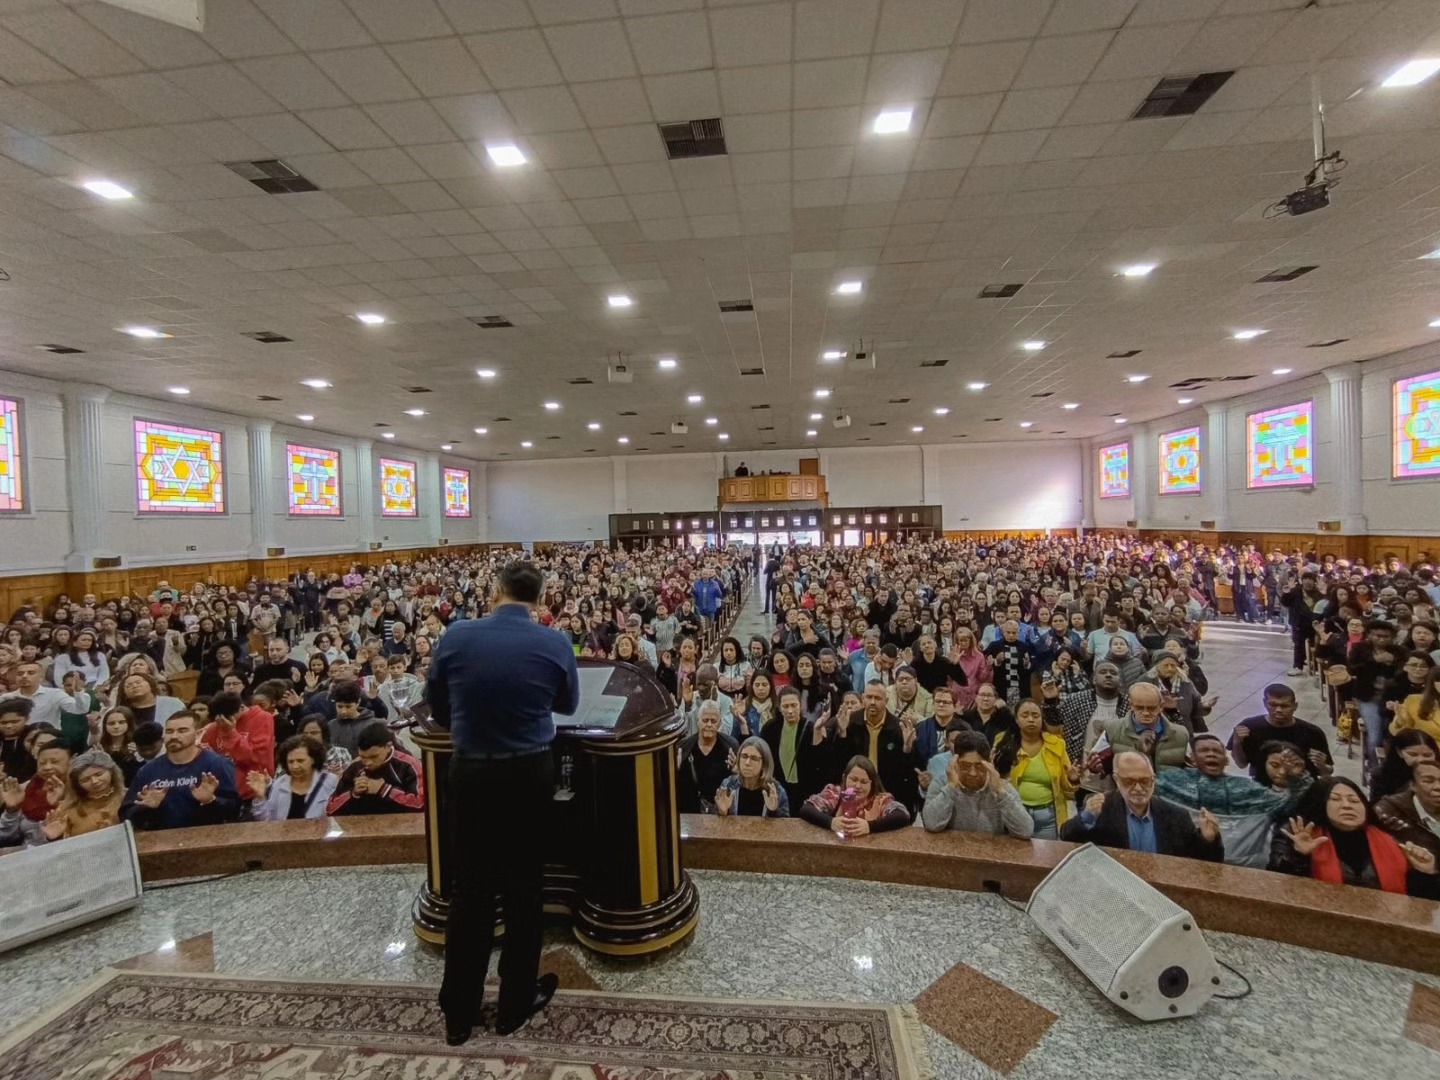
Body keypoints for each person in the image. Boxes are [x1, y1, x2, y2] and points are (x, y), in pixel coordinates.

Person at [427, 561, 578, 1045]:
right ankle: (514, 1004)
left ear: (496, 591)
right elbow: (569, 705)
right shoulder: (554, 641)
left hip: (471, 771)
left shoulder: (456, 635)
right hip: (527, 772)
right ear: (541, 596)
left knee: (469, 890)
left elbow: (439, 705)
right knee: (522, 887)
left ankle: (458, 1012)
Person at [1271, 776, 1439, 898]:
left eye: (1354, 800)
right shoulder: (1297, 835)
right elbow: (1281, 891)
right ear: (1320, 803)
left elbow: (1421, 905)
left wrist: (1425, 873)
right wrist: (1300, 856)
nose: (1347, 805)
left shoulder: (1390, 838)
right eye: (1335, 799)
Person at [1155, 732, 1305, 868]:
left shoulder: (1250, 788)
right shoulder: (1171, 780)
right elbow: (1142, 786)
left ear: (1226, 760)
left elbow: (1290, 805)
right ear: (1192, 758)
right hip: (1184, 861)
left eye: (1217, 751)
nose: (1211, 754)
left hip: (1241, 867)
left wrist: (1299, 777)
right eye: (1204, 750)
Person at [1061, 751, 1224, 862]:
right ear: (1117, 780)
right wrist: (1086, 817)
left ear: (1153, 779)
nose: (1138, 788)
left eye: (1145, 781)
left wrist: (1208, 839)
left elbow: (1202, 862)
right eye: (1129, 782)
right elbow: (1066, 837)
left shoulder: (1175, 815)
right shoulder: (1100, 808)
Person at [121, 711, 240, 830]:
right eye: (169, 731)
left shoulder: (217, 764)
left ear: (198, 734)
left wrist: (211, 800)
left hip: (207, 839)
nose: (174, 736)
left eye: (182, 731)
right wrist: (145, 808)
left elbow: (236, 809)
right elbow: (125, 814)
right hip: (161, 841)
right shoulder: (148, 770)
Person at [921, 730, 1034, 838]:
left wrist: (1000, 792)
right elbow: (931, 824)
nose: (973, 773)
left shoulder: (1001, 786)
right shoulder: (941, 783)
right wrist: (951, 787)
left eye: (979, 766)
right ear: (955, 762)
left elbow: (1025, 831)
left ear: (989, 762)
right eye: (965, 765)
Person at [992, 699, 1078, 837]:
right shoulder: (1002, 742)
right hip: (1015, 813)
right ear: (1016, 719)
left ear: (1042, 719)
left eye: (1035, 715)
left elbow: (1067, 790)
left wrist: (1072, 779)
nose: (1031, 719)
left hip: (1048, 816)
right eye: (1025, 715)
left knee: (1046, 857)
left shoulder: (1057, 744)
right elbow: (995, 780)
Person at [1228, 683, 1334, 781]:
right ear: (1265, 703)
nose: (1278, 710)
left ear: (1295, 706)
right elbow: (1241, 764)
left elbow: (1327, 772)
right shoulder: (1249, 726)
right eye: (1273, 705)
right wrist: (1237, 743)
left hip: (1302, 787)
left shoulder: (1312, 732)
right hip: (1264, 786)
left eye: (1284, 706)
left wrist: (1323, 766)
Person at [325, 722, 424, 815]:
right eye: (363, 757)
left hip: (404, 828)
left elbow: (422, 805)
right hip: (361, 829)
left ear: (388, 746)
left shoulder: (410, 765)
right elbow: (330, 808)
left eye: (374, 756)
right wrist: (353, 793)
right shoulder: (355, 767)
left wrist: (385, 790)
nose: (368, 762)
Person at [798, 755, 910, 836]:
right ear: (844, 778)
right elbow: (807, 809)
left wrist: (869, 826)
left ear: (872, 783)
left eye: (864, 782)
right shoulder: (835, 793)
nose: (858, 786)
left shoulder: (881, 799)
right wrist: (830, 822)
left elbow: (902, 815)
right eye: (853, 779)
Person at [200, 691, 275, 806]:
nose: (222, 721)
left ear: (241, 708)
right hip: (226, 793)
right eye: (218, 718)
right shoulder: (215, 726)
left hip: (254, 792)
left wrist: (231, 733)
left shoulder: (262, 718)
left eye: (227, 717)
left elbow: (255, 757)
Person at [1101, 682, 1189, 771]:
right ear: (1130, 705)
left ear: (1161, 706)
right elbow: (1098, 765)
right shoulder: (1112, 730)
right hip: (1130, 784)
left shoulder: (1181, 734)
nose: (1146, 713)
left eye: (1151, 708)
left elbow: (1191, 767)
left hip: (1168, 784)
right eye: (1139, 708)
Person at [249, 734, 339, 820]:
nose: (295, 766)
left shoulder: (331, 782)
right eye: (291, 762)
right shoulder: (280, 784)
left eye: (300, 761)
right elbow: (268, 821)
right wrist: (260, 796)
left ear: (313, 759)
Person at [677, 700, 737, 813]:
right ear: (698, 721)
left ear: (719, 724)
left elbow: (736, 783)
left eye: (713, 721)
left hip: (720, 811)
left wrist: (736, 772)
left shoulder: (731, 746)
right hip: (689, 812)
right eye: (705, 720)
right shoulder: (684, 747)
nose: (709, 724)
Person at [715, 736, 788, 817]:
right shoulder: (728, 785)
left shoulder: (775, 791)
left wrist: (774, 811)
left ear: (764, 764)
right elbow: (715, 825)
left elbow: (786, 826)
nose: (747, 762)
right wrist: (723, 812)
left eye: (754, 758)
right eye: (744, 756)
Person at [1390, 664, 1440, 742]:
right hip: (1425, 751)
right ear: (1432, 683)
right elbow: (1397, 733)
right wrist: (1401, 721)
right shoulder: (1414, 701)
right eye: (1438, 680)